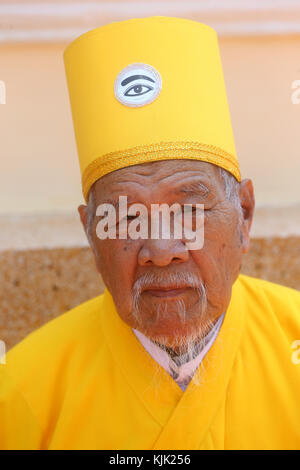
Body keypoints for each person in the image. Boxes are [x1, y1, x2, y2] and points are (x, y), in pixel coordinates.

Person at [1, 16, 300, 450]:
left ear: (245, 216)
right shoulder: (25, 389)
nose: (161, 250)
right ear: (90, 232)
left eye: (190, 210)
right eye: (124, 217)